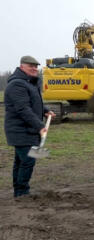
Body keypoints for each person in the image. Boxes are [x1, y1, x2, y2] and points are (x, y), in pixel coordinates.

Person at [4, 55, 55, 198]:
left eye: (36, 66)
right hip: (20, 130)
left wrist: (45, 110)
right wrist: (40, 126)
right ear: (22, 67)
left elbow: (34, 102)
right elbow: (23, 109)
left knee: (21, 161)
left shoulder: (30, 83)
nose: (34, 68)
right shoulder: (17, 84)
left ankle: (19, 191)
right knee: (28, 160)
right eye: (30, 66)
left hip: (28, 129)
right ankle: (22, 192)